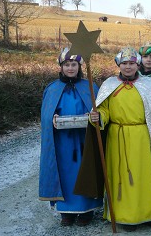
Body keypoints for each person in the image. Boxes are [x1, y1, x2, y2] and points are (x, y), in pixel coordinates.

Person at [80, 47, 151, 232]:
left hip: (143, 137)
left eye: (132, 63)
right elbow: (104, 110)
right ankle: (125, 216)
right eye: (124, 63)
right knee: (121, 177)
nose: (128, 67)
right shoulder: (110, 85)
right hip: (118, 138)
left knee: (147, 176)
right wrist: (97, 116)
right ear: (119, 64)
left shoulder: (149, 85)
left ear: (138, 64)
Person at [39, 48, 103, 226]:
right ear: (61, 67)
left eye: (73, 64)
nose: (70, 68)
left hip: (85, 140)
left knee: (85, 172)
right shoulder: (52, 89)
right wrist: (52, 119)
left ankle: (86, 211)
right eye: (66, 64)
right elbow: (45, 116)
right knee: (66, 174)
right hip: (63, 142)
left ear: (79, 66)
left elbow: (100, 110)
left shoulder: (90, 86)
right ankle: (66, 212)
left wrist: (93, 117)